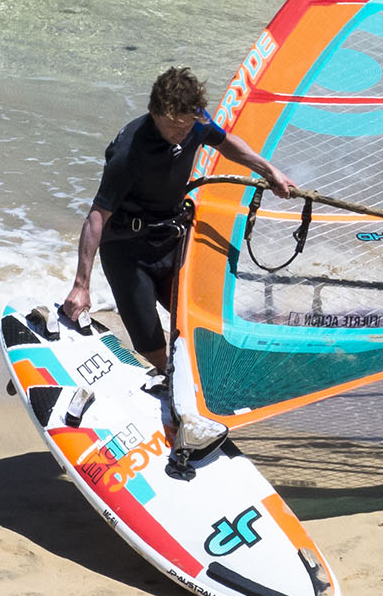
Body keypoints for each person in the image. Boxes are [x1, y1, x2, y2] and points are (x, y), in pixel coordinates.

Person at [61, 66, 295, 372]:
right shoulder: (129, 152)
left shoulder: (196, 121)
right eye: (173, 127)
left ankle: (206, 382)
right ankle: (168, 390)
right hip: (128, 253)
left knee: (198, 322)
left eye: (186, 126)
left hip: (171, 241)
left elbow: (225, 142)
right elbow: (96, 217)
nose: (181, 134)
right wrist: (81, 285)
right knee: (152, 347)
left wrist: (269, 170)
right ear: (155, 112)